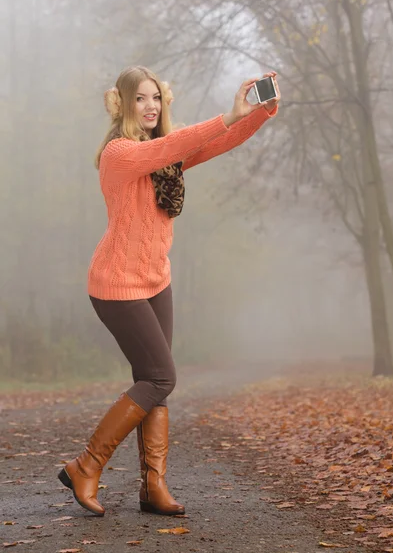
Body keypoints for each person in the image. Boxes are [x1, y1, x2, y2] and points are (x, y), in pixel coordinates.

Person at [58, 65, 280, 517]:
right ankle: (86, 465)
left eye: (155, 97)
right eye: (140, 98)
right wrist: (228, 114)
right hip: (116, 283)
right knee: (161, 377)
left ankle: (153, 487)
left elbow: (213, 144)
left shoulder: (163, 154)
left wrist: (260, 113)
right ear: (122, 104)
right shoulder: (120, 153)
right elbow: (179, 143)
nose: (150, 106)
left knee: (156, 384)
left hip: (156, 279)